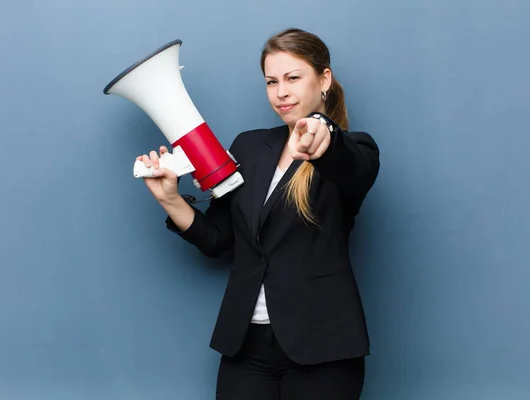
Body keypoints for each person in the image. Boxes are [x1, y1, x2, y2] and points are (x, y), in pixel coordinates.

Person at [137, 28, 380, 400]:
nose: (281, 92)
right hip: (245, 348)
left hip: (323, 350)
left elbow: (348, 165)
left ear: (324, 79)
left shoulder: (355, 149)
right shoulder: (249, 147)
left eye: (293, 78)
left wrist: (324, 132)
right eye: (271, 81)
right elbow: (219, 241)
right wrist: (170, 199)